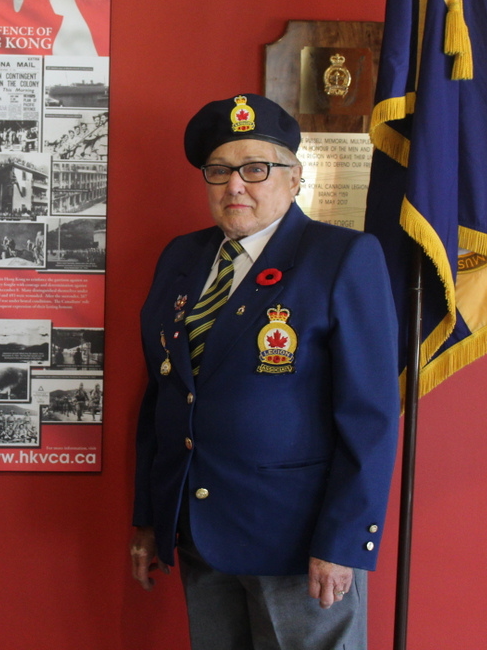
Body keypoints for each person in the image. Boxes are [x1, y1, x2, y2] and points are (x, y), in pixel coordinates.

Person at [130, 94, 400, 649]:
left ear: (296, 177)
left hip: (299, 544)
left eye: (257, 168)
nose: (236, 185)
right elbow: (161, 395)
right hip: (199, 531)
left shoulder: (342, 257)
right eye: (220, 170)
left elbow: (369, 416)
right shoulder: (181, 258)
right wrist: (151, 519)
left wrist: (344, 540)